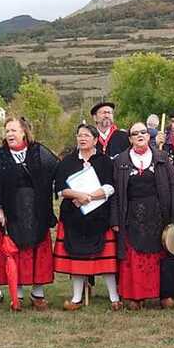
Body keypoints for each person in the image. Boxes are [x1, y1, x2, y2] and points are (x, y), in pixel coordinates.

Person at [0, 116, 59, 310]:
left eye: (13, 130)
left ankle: (38, 294)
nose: (9, 134)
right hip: (12, 211)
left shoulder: (39, 152)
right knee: (15, 251)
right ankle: (16, 295)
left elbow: (57, 172)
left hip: (37, 211)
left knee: (38, 251)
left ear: (24, 132)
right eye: (7, 130)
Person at [109, 122, 174, 309]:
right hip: (131, 214)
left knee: (161, 254)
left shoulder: (162, 157)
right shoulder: (120, 161)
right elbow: (116, 193)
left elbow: (173, 186)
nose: (140, 135)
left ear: (149, 136)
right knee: (134, 255)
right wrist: (115, 220)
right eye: (135, 133)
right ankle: (136, 296)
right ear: (130, 138)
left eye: (143, 132)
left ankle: (164, 294)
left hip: (158, 213)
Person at [53, 123, 121, 310]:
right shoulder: (67, 162)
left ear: (95, 139)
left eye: (86, 136)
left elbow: (110, 187)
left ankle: (114, 298)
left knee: (106, 260)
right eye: (79, 135)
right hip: (73, 218)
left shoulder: (105, 161)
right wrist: (76, 195)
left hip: (99, 217)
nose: (82, 139)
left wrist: (88, 197)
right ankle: (76, 298)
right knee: (76, 259)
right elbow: (60, 189)